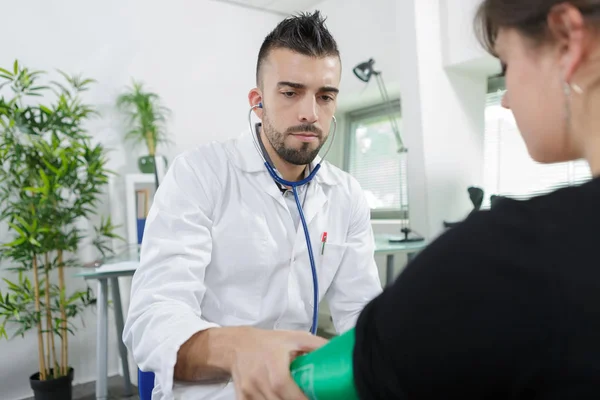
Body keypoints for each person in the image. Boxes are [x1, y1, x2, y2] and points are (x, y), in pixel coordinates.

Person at [122, 10, 382, 400]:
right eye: (290, 92)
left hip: (301, 386)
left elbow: (361, 315)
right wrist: (240, 348)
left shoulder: (346, 195)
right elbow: (152, 319)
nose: (310, 113)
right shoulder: (199, 174)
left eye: (325, 96)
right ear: (257, 102)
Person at [351, 0, 600, 398]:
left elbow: (343, 376)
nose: (505, 98)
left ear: (568, 42)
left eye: (505, 65)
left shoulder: (494, 263)